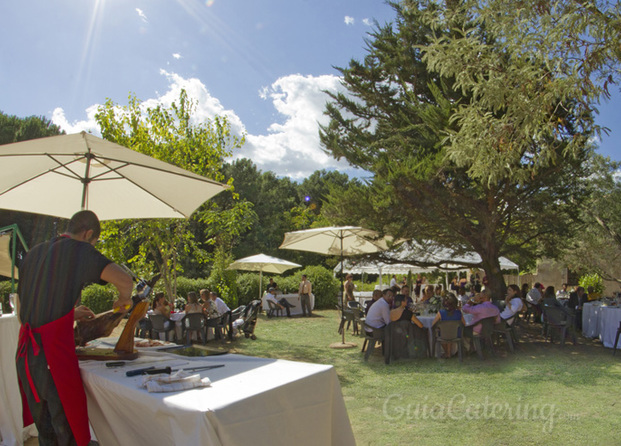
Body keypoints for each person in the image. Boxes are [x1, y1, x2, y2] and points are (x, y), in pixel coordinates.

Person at [15, 210, 133, 446]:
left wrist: (68, 314)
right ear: (88, 233)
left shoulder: (34, 252)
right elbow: (125, 280)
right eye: (94, 241)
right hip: (51, 359)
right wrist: (123, 299)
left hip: (27, 356)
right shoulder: (79, 250)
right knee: (66, 432)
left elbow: (24, 312)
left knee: (46, 434)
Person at [431, 293, 466, 358]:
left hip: (443, 335)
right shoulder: (459, 313)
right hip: (456, 334)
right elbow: (464, 324)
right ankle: (448, 353)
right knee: (449, 331)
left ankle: (447, 353)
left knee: (442, 332)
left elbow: (433, 325)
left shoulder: (441, 313)